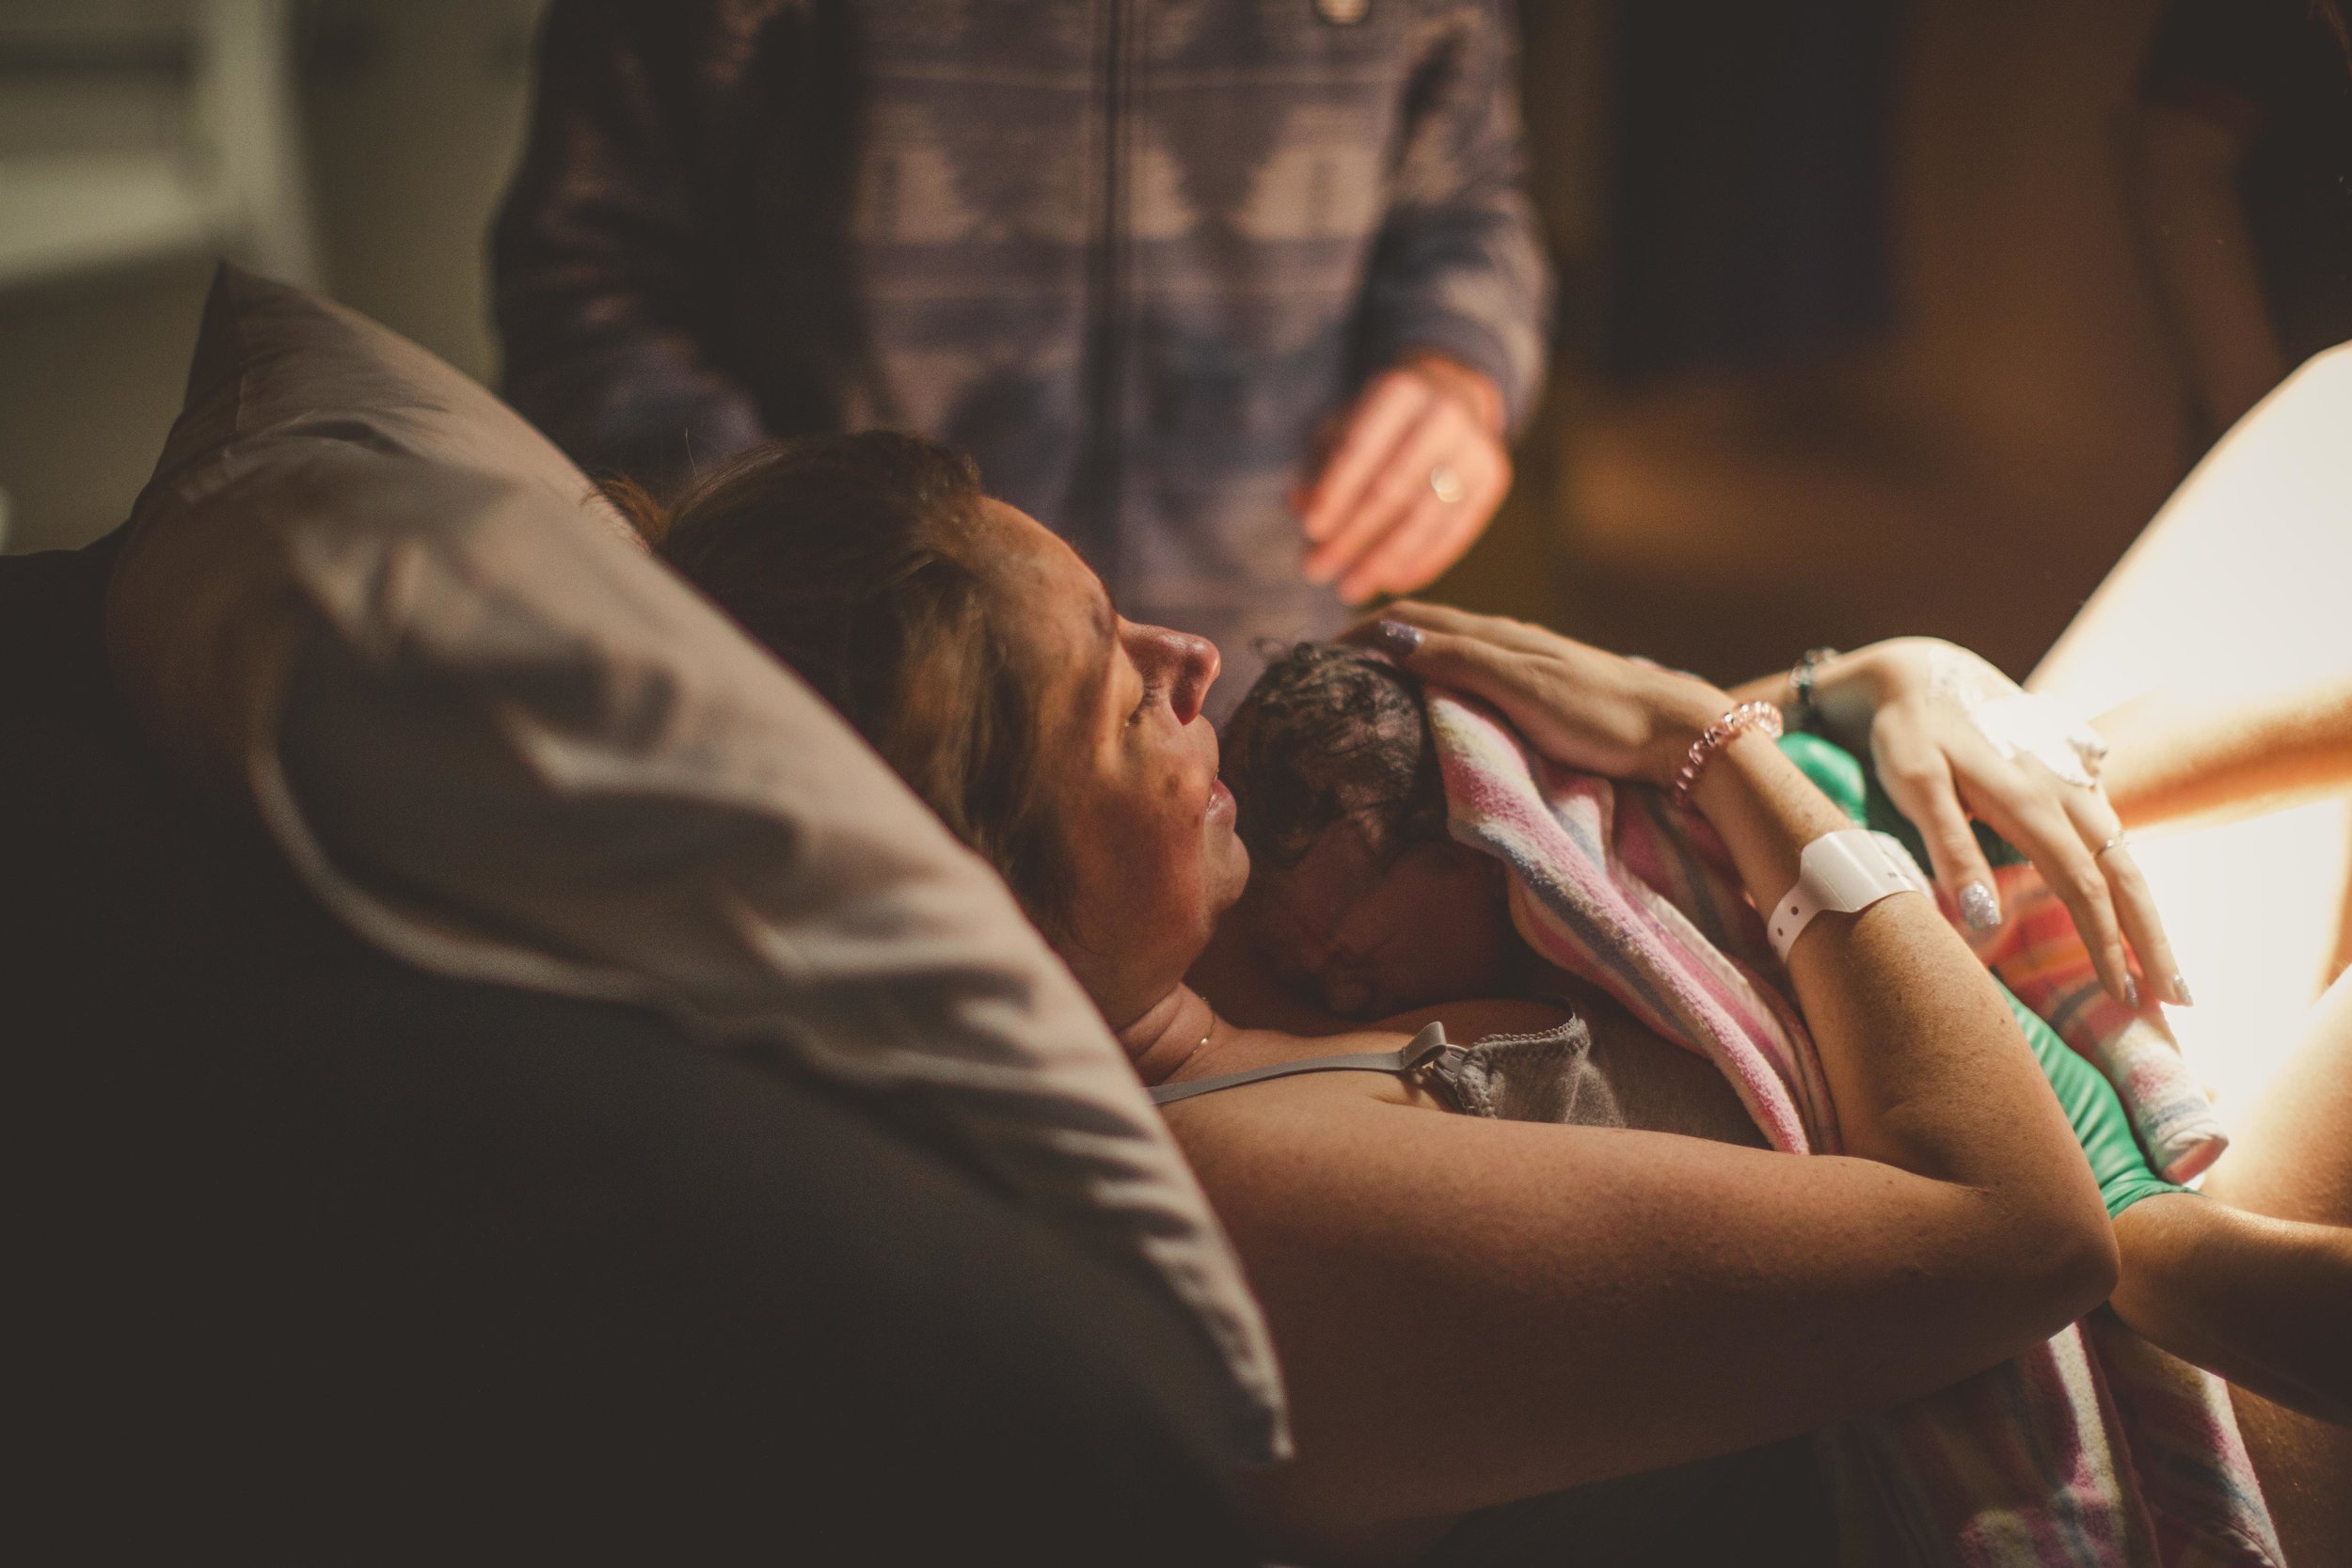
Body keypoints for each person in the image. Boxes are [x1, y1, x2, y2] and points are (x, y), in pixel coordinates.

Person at [1208, 635, 2350, 1430]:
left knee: (2049, 760)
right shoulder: (1287, 1100)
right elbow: (2039, 1239)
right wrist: (1726, 730)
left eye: (1346, 955)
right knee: (2152, 1252)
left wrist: (1831, 688)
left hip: (1871, 870)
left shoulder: (1560, 864)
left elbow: (1632, 768)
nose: (1328, 982)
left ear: (1468, 843)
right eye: (1305, 965)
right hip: (2041, 1178)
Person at [492, 0, 1551, 710]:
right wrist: (808, 583)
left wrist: (1459, 365)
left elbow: (1470, 204)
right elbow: (583, 272)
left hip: (1257, 699)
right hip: (854, 716)